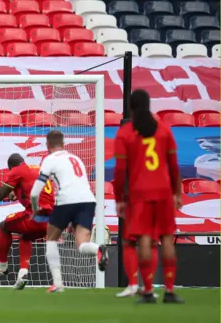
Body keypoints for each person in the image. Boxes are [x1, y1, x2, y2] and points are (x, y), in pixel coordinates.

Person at [114, 89, 184, 304]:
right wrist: (177, 192)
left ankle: (147, 290)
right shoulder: (164, 130)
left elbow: (120, 171)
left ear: (131, 108)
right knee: (166, 237)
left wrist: (119, 199)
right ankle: (170, 291)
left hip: (139, 193)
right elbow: (173, 165)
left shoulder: (125, 134)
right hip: (163, 191)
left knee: (144, 237)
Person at [31, 130, 108, 293]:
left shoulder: (49, 159)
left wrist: (34, 208)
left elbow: (34, 192)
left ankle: (58, 283)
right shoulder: (76, 159)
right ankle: (97, 249)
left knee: (51, 238)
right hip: (88, 200)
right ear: (64, 144)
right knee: (81, 244)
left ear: (47, 146)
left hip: (66, 200)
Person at [0, 153, 55, 289]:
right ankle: (22, 274)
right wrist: (18, 192)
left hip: (35, 217)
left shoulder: (16, 171)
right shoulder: (37, 168)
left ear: (11, 167)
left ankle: (2, 265)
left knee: (4, 226)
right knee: (25, 236)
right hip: (52, 221)